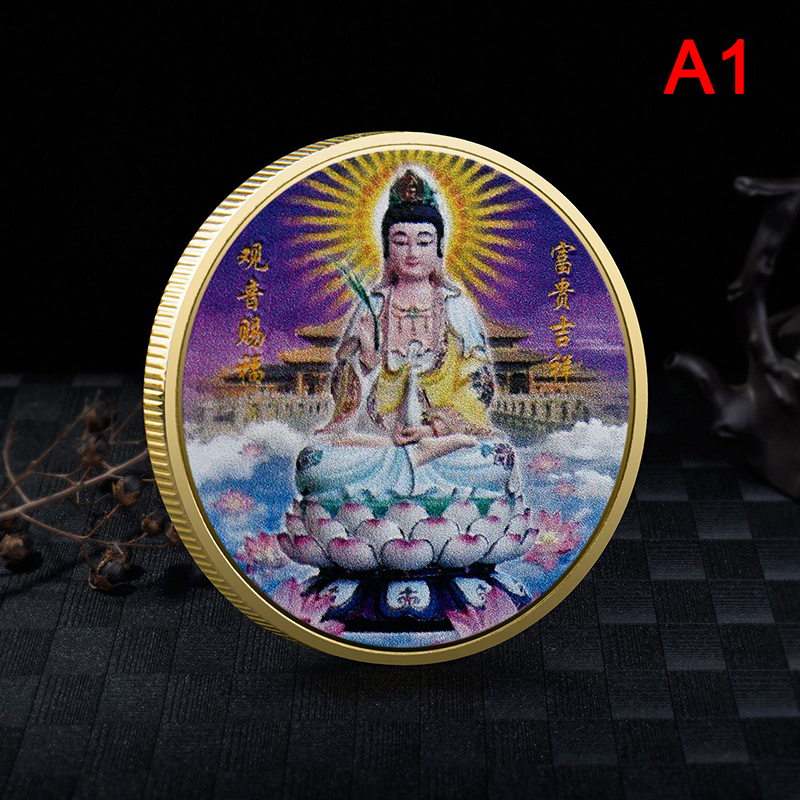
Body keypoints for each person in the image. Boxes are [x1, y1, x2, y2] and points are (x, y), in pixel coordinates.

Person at [295, 169, 518, 506]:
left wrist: (434, 429)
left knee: (495, 459)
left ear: (439, 248)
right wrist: (365, 363)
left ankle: (381, 497)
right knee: (316, 464)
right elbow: (342, 390)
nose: (412, 252)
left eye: (424, 241)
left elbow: (478, 384)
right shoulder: (373, 306)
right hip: (380, 442)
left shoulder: (456, 307)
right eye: (401, 241)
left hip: (440, 446)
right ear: (387, 249)